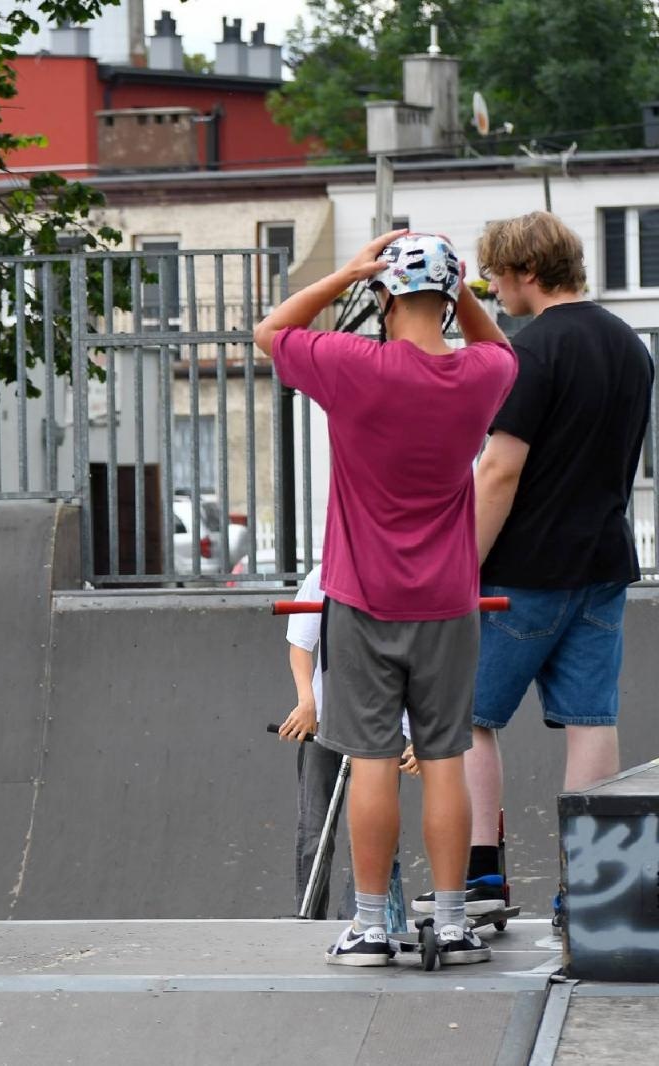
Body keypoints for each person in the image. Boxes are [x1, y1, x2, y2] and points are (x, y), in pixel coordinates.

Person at [254, 230, 516, 966]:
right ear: (449, 294)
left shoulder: (351, 367)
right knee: (443, 759)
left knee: (370, 761)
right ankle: (457, 922)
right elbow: (503, 350)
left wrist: (345, 272)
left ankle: (372, 927)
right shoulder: (479, 376)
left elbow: (271, 332)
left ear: (382, 295)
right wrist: (459, 290)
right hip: (448, 601)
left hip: (362, 599)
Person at [416, 211, 653, 926]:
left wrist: (461, 567)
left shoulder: (531, 352)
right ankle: (590, 892)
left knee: (468, 720)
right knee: (591, 721)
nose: (492, 293)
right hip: (604, 562)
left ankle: (482, 882)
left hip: (520, 574)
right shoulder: (631, 347)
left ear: (524, 272)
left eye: (495, 278)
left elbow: (499, 472)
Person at [278, 564, 420, 920]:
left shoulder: (408, 579)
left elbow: (425, 665)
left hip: (385, 728)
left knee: (377, 828)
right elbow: (299, 643)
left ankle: (362, 919)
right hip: (327, 720)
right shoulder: (324, 575)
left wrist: (418, 735)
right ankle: (308, 915)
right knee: (313, 830)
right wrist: (306, 701)